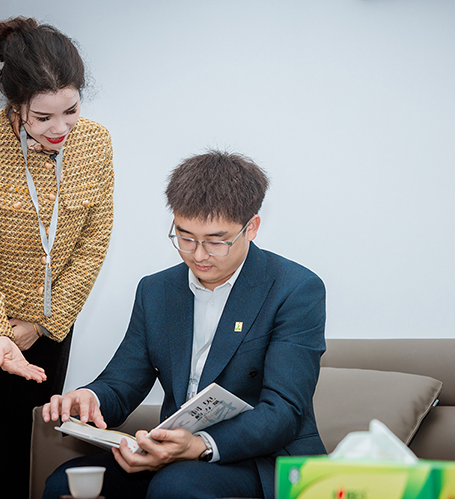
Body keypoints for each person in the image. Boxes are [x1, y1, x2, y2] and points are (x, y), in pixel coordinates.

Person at [41, 150, 325, 499]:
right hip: (176, 456)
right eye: (185, 237)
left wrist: (200, 445)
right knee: (64, 482)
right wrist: (90, 398)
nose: (198, 255)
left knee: (177, 485)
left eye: (216, 241)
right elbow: (122, 383)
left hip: (264, 461)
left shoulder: (295, 288)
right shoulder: (157, 290)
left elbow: (285, 410)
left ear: (251, 228)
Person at [0, 17, 114, 499]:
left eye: (70, 111)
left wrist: (40, 324)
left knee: (25, 451)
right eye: (43, 117)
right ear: (15, 103)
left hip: (49, 324)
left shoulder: (95, 143)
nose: (60, 128)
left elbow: (93, 243)